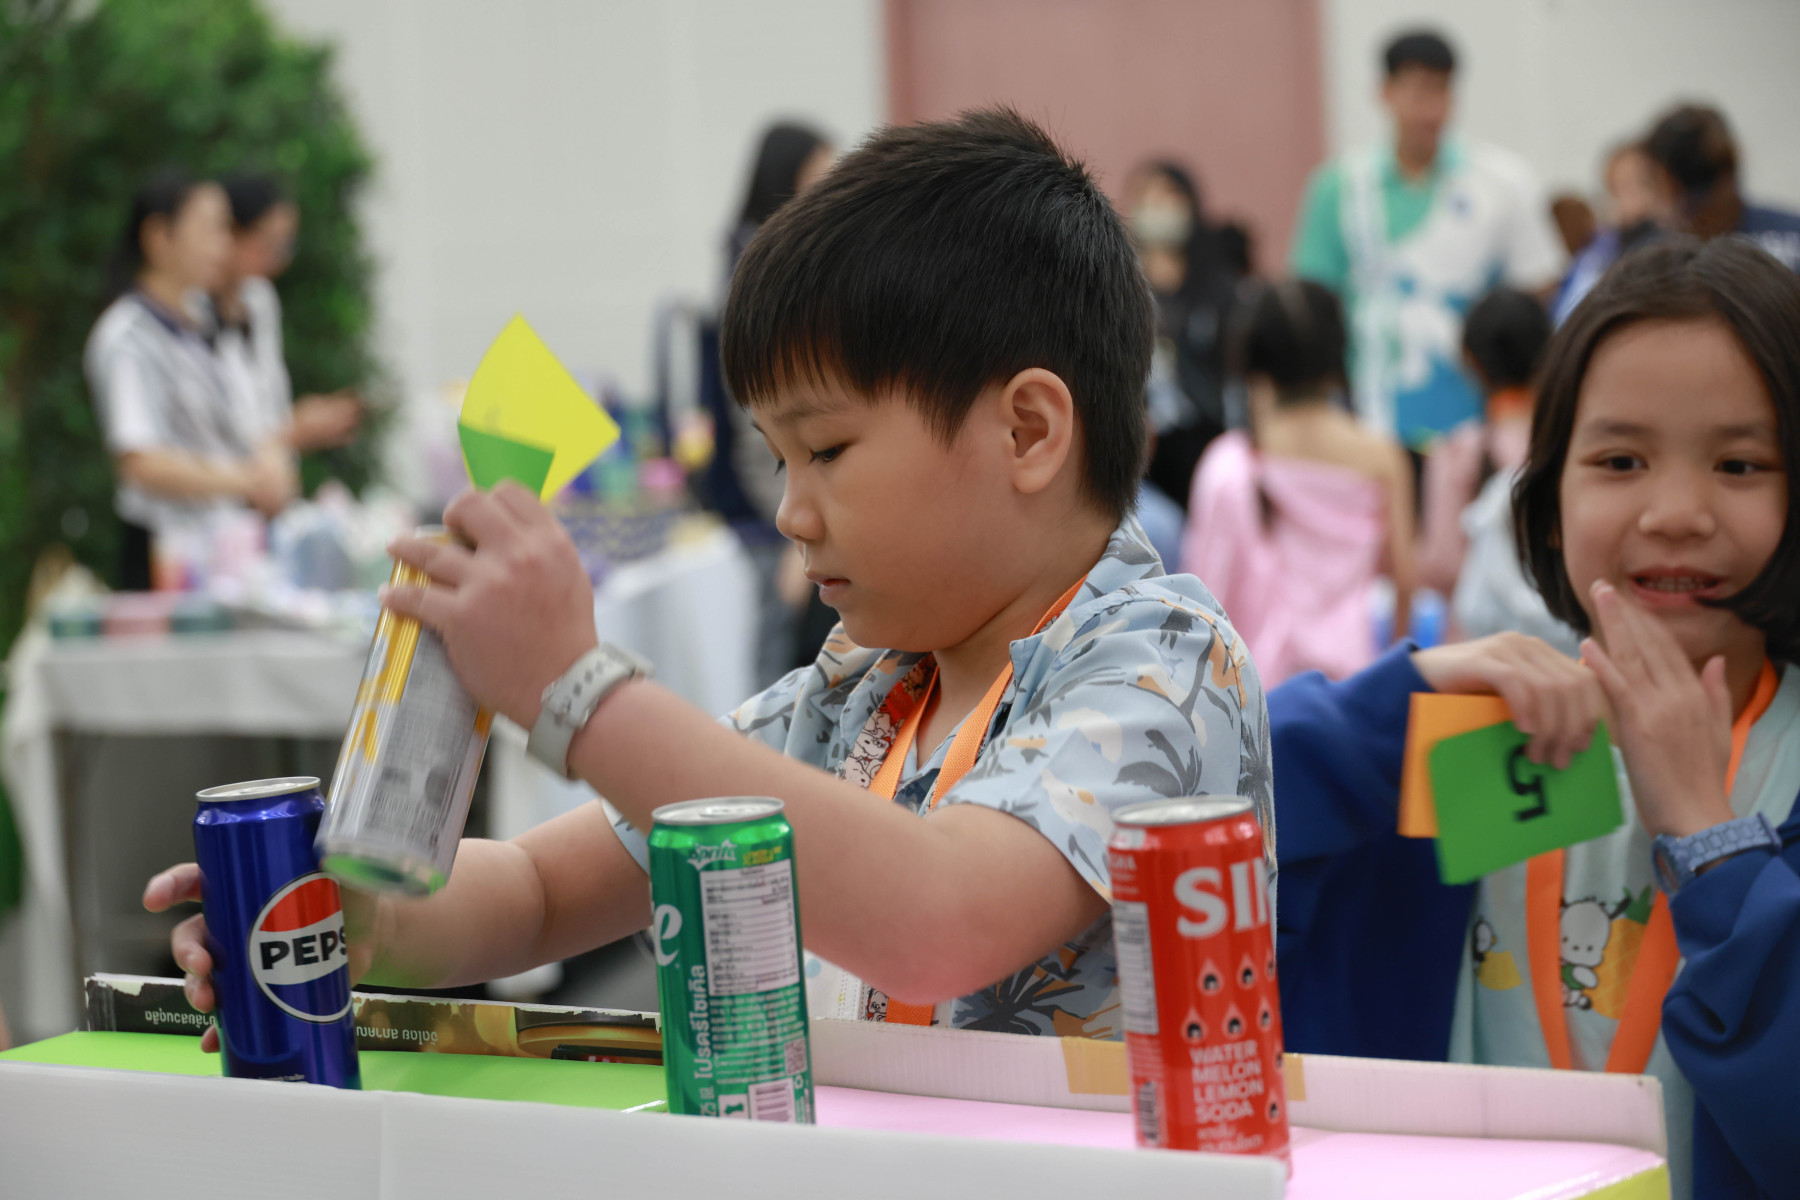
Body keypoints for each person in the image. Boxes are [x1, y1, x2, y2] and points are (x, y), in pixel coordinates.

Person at [149, 109, 1272, 1043]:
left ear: (1027, 431)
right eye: (780, 461)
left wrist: (574, 690)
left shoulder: (1162, 665)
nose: (791, 511)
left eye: (827, 449)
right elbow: (541, 892)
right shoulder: (860, 692)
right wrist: (353, 918)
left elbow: (942, 917)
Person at [1273, 237, 1800, 1199]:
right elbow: (1218, 860)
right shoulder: (1487, 735)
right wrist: (1391, 706)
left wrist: (1713, 845)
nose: (1676, 511)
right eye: (1620, 459)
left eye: (1739, 463)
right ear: (1550, 500)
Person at [1290, 29, 1564, 451]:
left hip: (1481, 430)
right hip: (1372, 422)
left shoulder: (1503, 183)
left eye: (1442, 91)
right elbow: (1314, 302)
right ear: (1385, 92)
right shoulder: (1339, 187)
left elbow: (1540, 288)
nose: (1431, 110)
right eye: (1418, 91)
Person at [1181, 280, 1414, 687]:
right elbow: (1406, 579)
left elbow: (1201, 599)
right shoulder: (1382, 457)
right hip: (1348, 688)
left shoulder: (1229, 464)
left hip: (1253, 696)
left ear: (1252, 362)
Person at [84, 172, 295, 588]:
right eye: (211, 229)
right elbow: (141, 460)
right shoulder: (128, 334)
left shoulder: (201, 322)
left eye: (226, 229)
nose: (223, 245)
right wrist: (248, 480)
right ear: (159, 237)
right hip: (163, 555)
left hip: (221, 547)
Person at [701, 122, 836, 685]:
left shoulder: (771, 263)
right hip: (759, 513)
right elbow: (757, 428)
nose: (829, 194)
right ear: (785, 181)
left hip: (768, 504)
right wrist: (791, 524)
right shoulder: (760, 277)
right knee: (777, 654)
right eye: (818, 178)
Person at [1122, 160, 1242, 511]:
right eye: (1148, 197)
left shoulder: (1219, 288)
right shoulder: (1120, 288)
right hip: (1145, 448)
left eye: (1169, 196)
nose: (1159, 207)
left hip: (1209, 437)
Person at [212, 174, 362, 456]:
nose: (279, 259)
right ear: (230, 233)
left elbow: (267, 413)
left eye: (286, 246)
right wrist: (293, 433)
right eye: (269, 244)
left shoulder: (259, 300)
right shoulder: (188, 314)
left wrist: (302, 424)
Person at [1552, 142, 1673, 325]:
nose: (1617, 199)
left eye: (1629, 186)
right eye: (1613, 188)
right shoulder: (1597, 247)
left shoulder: (1660, 248)